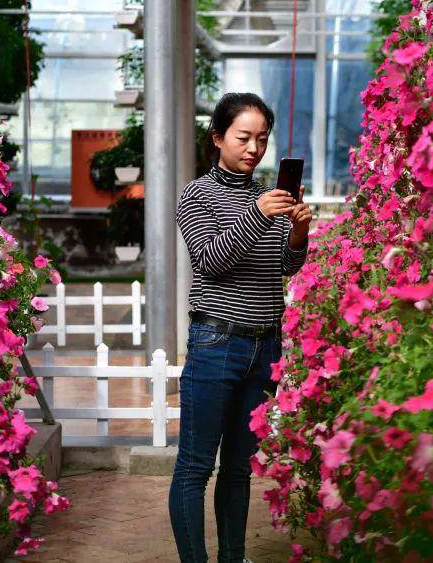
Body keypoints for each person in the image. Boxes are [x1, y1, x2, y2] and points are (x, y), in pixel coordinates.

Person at [168, 92, 311, 562]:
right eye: (243, 137)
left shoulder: (268, 197)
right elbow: (210, 260)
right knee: (194, 467)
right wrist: (258, 215)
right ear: (218, 138)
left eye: (262, 139)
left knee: (237, 471)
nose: (254, 148)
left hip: (265, 346)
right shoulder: (197, 195)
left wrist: (298, 230)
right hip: (217, 343)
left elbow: (284, 266)